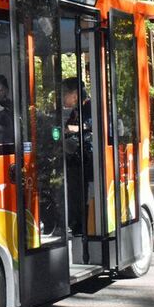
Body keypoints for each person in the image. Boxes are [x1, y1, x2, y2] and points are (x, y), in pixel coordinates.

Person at [62, 76, 92, 234]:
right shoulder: (75, 111)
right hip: (74, 157)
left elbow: (91, 125)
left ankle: (83, 224)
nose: (62, 98)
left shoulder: (90, 106)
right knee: (73, 192)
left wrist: (69, 130)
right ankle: (75, 224)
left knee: (82, 194)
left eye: (64, 93)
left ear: (74, 94)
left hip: (88, 159)